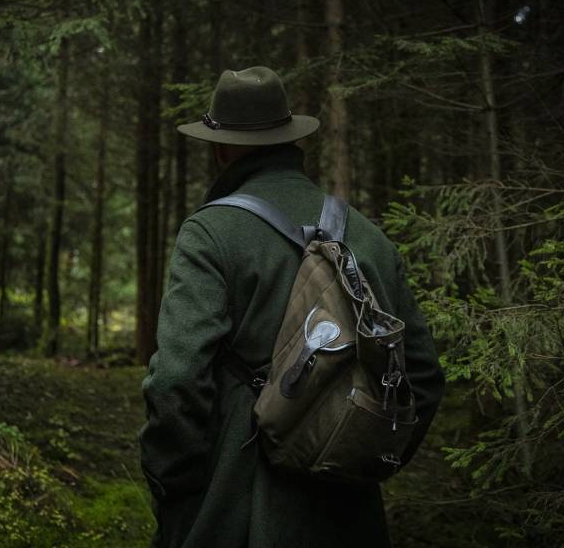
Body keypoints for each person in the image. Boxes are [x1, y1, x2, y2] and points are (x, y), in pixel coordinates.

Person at [139, 66, 445, 548]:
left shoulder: (210, 232)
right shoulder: (369, 236)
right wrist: (364, 455)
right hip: (351, 511)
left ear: (222, 148)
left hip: (234, 500)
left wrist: (173, 481)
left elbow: (177, 381)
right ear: (288, 140)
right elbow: (423, 376)